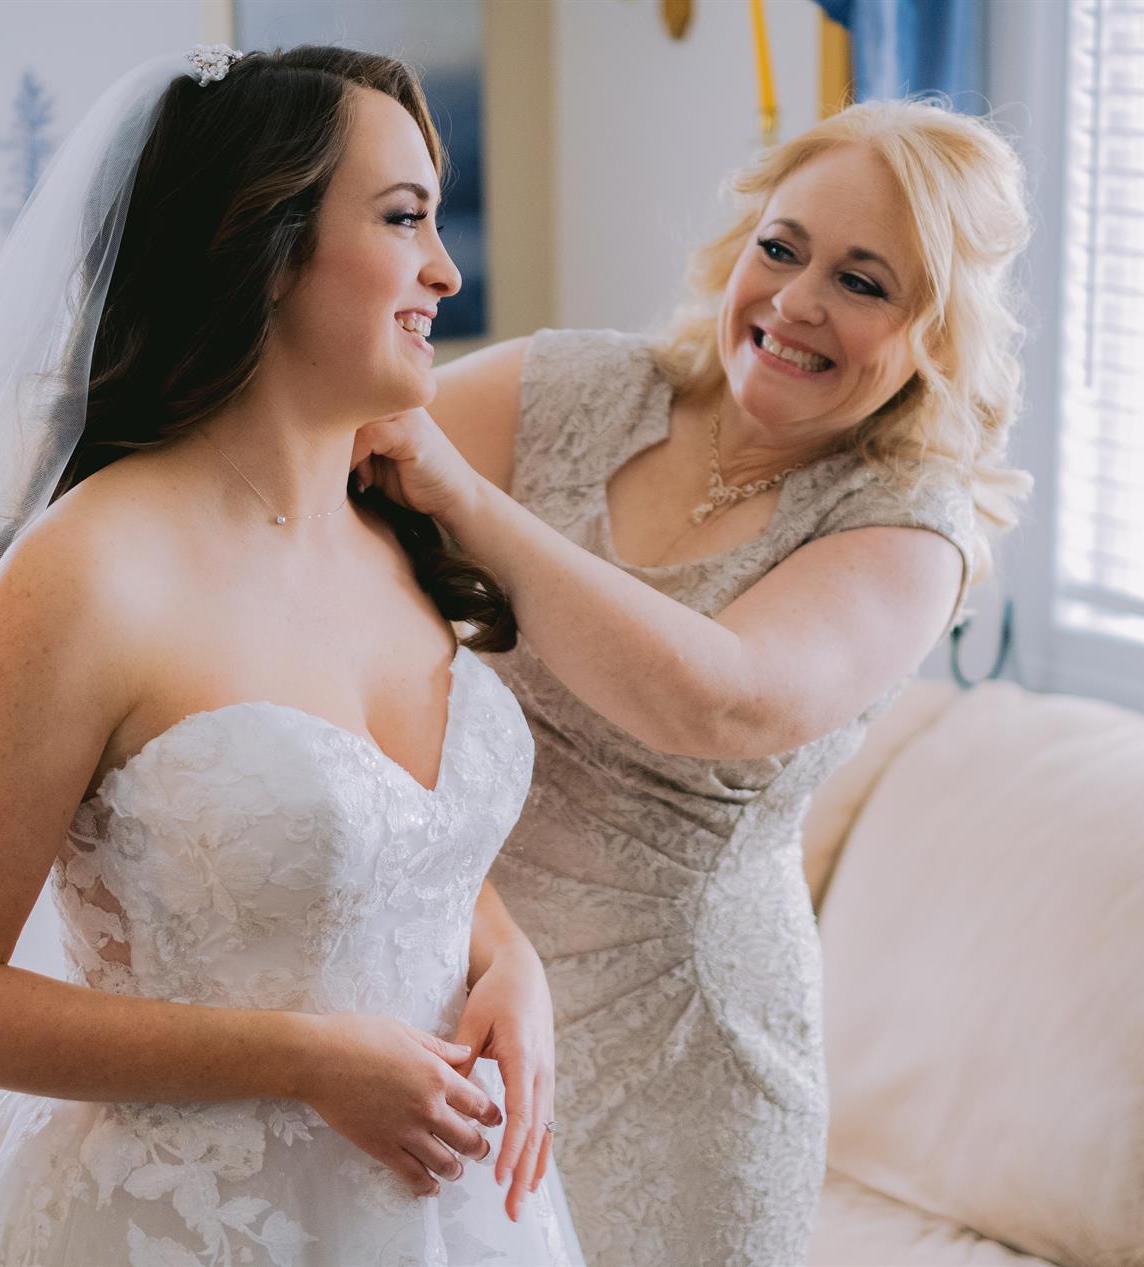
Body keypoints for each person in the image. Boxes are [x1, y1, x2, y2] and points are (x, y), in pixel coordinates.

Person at [0, 45, 581, 1267]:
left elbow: (408, 850)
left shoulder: (399, 527)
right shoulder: (87, 575)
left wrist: (514, 964)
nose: (445, 270)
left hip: (453, 1215)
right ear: (266, 248)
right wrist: (304, 1057)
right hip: (176, 1224)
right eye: (403, 219)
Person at [352, 97, 1033, 1266]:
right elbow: (333, 471)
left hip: (680, 1053)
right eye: (782, 247)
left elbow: (717, 700)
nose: (797, 302)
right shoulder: (574, 386)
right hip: (448, 978)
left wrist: (465, 498)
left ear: (937, 331)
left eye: (862, 282)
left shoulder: (912, 530)